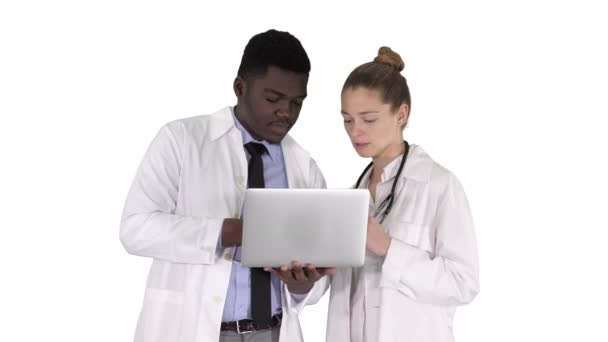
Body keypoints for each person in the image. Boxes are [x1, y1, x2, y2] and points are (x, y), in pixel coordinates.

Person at [119, 29, 333, 342]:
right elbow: (135, 229)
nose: (286, 112)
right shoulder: (182, 140)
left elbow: (318, 270)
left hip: (272, 332)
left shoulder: (304, 167)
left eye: (296, 102)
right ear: (239, 87)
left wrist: (303, 287)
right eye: (273, 99)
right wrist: (230, 231)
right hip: (194, 330)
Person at [322, 46, 480, 341]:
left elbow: (463, 283)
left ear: (401, 114)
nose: (355, 131)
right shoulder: (351, 197)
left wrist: (390, 249)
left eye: (368, 119)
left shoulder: (439, 186)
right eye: (347, 119)